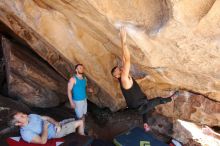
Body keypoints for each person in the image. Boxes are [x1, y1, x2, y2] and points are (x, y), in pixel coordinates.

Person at [111, 27, 178, 131]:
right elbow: (127, 59)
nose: (118, 68)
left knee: (146, 108)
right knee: (157, 100)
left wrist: (121, 40)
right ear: (116, 76)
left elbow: (124, 58)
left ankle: (145, 124)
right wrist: (124, 39)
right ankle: (171, 98)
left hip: (140, 104)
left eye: (118, 68)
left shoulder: (124, 76)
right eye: (116, 70)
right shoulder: (124, 79)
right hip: (139, 107)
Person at [8, 111, 85, 144]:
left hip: (57, 125)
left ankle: (81, 136)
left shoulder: (31, 116)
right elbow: (42, 141)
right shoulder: (26, 133)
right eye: (22, 116)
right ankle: (84, 138)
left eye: (23, 113)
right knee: (80, 122)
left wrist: (56, 123)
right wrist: (45, 127)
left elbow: (47, 118)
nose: (25, 115)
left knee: (79, 119)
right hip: (55, 133)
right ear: (18, 123)